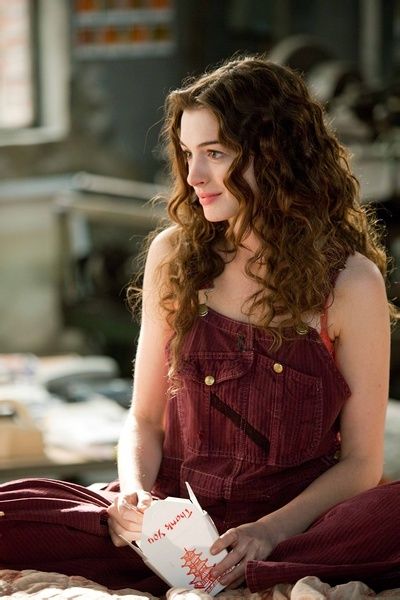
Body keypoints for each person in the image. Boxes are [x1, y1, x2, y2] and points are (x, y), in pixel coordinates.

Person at [1, 55, 400, 595]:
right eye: (188, 154)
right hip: (172, 524)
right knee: (14, 507)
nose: (193, 177)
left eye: (214, 153)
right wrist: (133, 497)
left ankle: (261, 568)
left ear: (276, 153)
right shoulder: (174, 256)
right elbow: (144, 419)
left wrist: (269, 531)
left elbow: (361, 462)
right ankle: (216, 571)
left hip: (290, 526)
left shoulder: (352, 283)